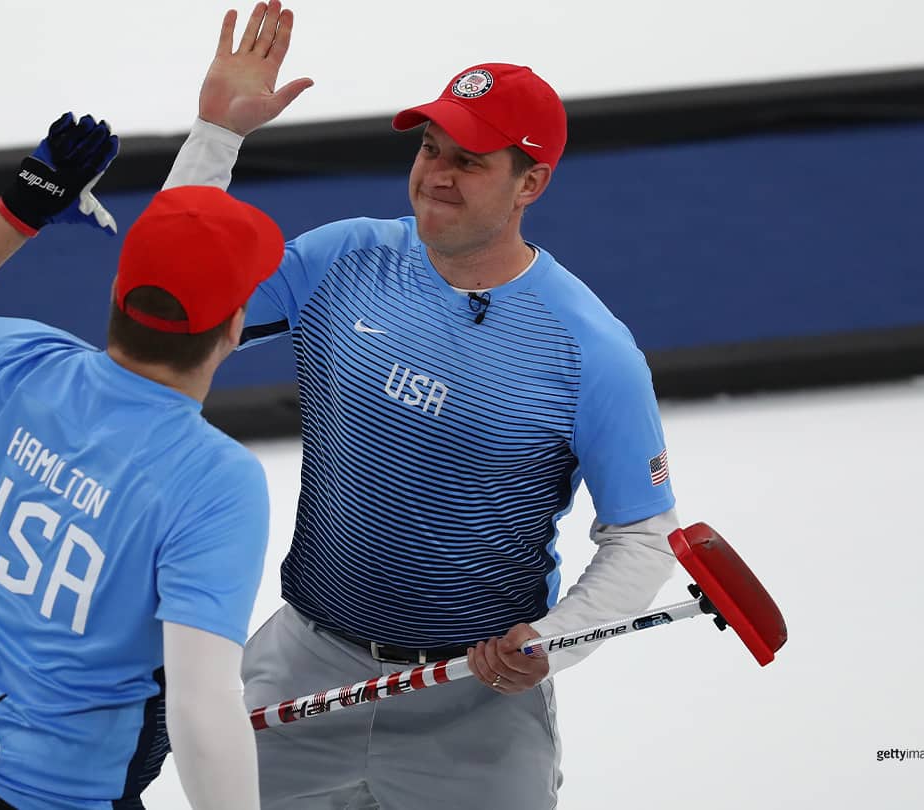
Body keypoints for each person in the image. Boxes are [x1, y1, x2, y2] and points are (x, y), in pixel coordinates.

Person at [163, 4, 681, 808]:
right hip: (302, 671)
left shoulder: (591, 350)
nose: (434, 173)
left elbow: (642, 537)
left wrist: (551, 644)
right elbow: (174, 299)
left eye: (469, 161)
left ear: (531, 182)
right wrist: (215, 136)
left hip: (477, 706)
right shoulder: (343, 258)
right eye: (430, 148)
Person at [0, 111, 286, 810]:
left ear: (115, 296)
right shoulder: (214, 481)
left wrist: (20, 209)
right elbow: (200, 711)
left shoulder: (20, 366)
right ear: (234, 327)